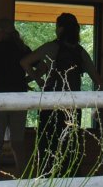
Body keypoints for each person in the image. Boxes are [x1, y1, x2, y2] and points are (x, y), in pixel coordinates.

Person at [22, 12, 97, 174]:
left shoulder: (51, 47)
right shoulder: (80, 52)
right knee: (70, 146)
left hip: (50, 105)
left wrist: (37, 80)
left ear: (60, 29)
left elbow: (25, 62)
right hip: (72, 106)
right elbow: (96, 77)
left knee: (47, 146)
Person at [0, 21, 31, 174]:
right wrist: (26, 80)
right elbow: (42, 65)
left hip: (0, 99)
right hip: (19, 100)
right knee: (17, 143)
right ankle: (24, 182)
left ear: (3, 32)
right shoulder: (22, 49)